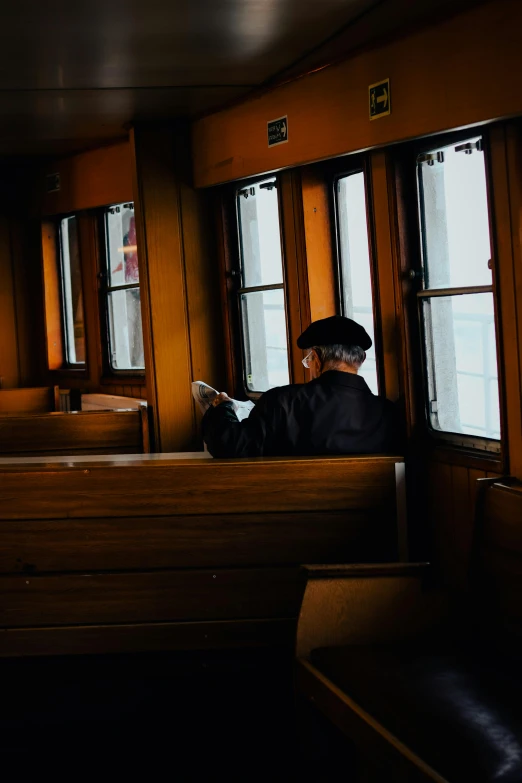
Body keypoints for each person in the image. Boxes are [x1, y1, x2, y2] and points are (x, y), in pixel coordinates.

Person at [202, 315, 398, 458]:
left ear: (317, 358)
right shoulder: (388, 413)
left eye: (308, 360)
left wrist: (223, 408)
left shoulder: (283, 402)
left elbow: (230, 446)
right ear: (361, 360)